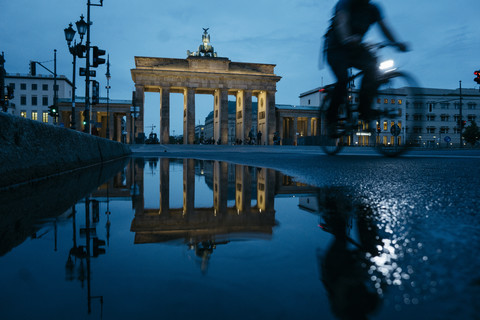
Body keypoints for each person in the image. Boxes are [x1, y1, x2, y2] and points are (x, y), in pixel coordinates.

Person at [324, 0, 408, 131]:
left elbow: (385, 28)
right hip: (336, 47)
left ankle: (364, 109)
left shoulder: (373, 9)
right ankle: (331, 117)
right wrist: (347, 38)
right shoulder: (346, 3)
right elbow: (342, 22)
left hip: (355, 48)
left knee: (373, 68)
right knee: (343, 79)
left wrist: (397, 42)